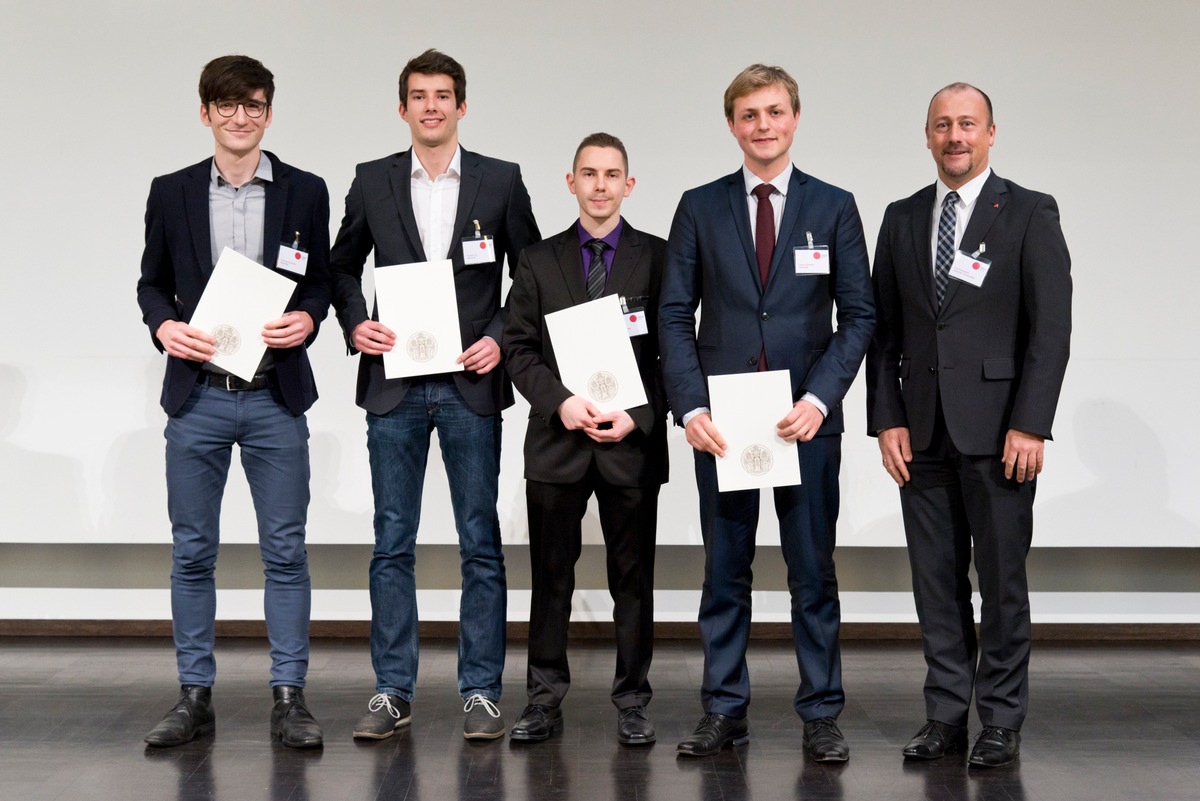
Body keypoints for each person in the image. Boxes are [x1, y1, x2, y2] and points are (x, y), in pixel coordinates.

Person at [659, 64, 874, 760]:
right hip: (722, 425)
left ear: (795, 118)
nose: (763, 125)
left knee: (813, 572)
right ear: (732, 125)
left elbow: (860, 315)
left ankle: (820, 713)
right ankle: (724, 708)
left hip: (805, 422)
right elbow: (672, 315)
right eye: (749, 114)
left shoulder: (835, 206)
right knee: (725, 572)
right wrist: (689, 405)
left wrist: (819, 399)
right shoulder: (698, 205)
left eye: (775, 112)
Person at [329, 48, 540, 741]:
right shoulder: (370, 180)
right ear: (402, 109)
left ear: (461, 106)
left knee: (480, 542)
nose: (430, 106)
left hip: (470, 386)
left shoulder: (501, 181)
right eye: (418, 96)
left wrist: (505, 340)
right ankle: (393, 690)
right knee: (392, 542)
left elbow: (534, 275)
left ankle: (480, 690)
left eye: (442, 95)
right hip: (393, 389)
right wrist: (356, 322)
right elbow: (340, 266)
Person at [866, 82, 1072, 768]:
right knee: (935, 581)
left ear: (990, 133)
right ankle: (947, 714)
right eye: (941, 125)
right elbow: (884, 333)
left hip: (1000, 435)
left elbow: (1051, 331)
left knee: (1002, 581)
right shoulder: (900, 217)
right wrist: (886, 418)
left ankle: (1002, 720)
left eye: (967, 124)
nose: (955, 136)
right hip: (920, 433)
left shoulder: (1030, 212)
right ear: (927, 136)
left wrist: (1031, 424)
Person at [137, 55, 330, 749]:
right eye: (226, 106)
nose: (240, 118)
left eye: (253, 105)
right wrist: (163, 324)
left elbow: (320, 285)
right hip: (200, 398)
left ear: (269, 113)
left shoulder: (306, 191)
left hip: (276, 394)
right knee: (193, 551)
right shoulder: (173, 191)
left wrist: (308, 319)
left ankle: (289, 696)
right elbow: (151, 283)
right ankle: (195, 695)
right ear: (205, 113)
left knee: (285, 550)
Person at [502, 133, 667, 745]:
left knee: (634, 580)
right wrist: (563, 403)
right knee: (551, 580)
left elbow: (672, 350)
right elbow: (517, 348)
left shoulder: (658, 257)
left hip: (631, 444)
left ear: (629, 184)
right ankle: (543, 699)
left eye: (612, 174)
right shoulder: (538, 260)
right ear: (570, 182)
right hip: (557, 443)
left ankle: (633, 700)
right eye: (589, 174)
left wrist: (640, 413)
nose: (600, 185)